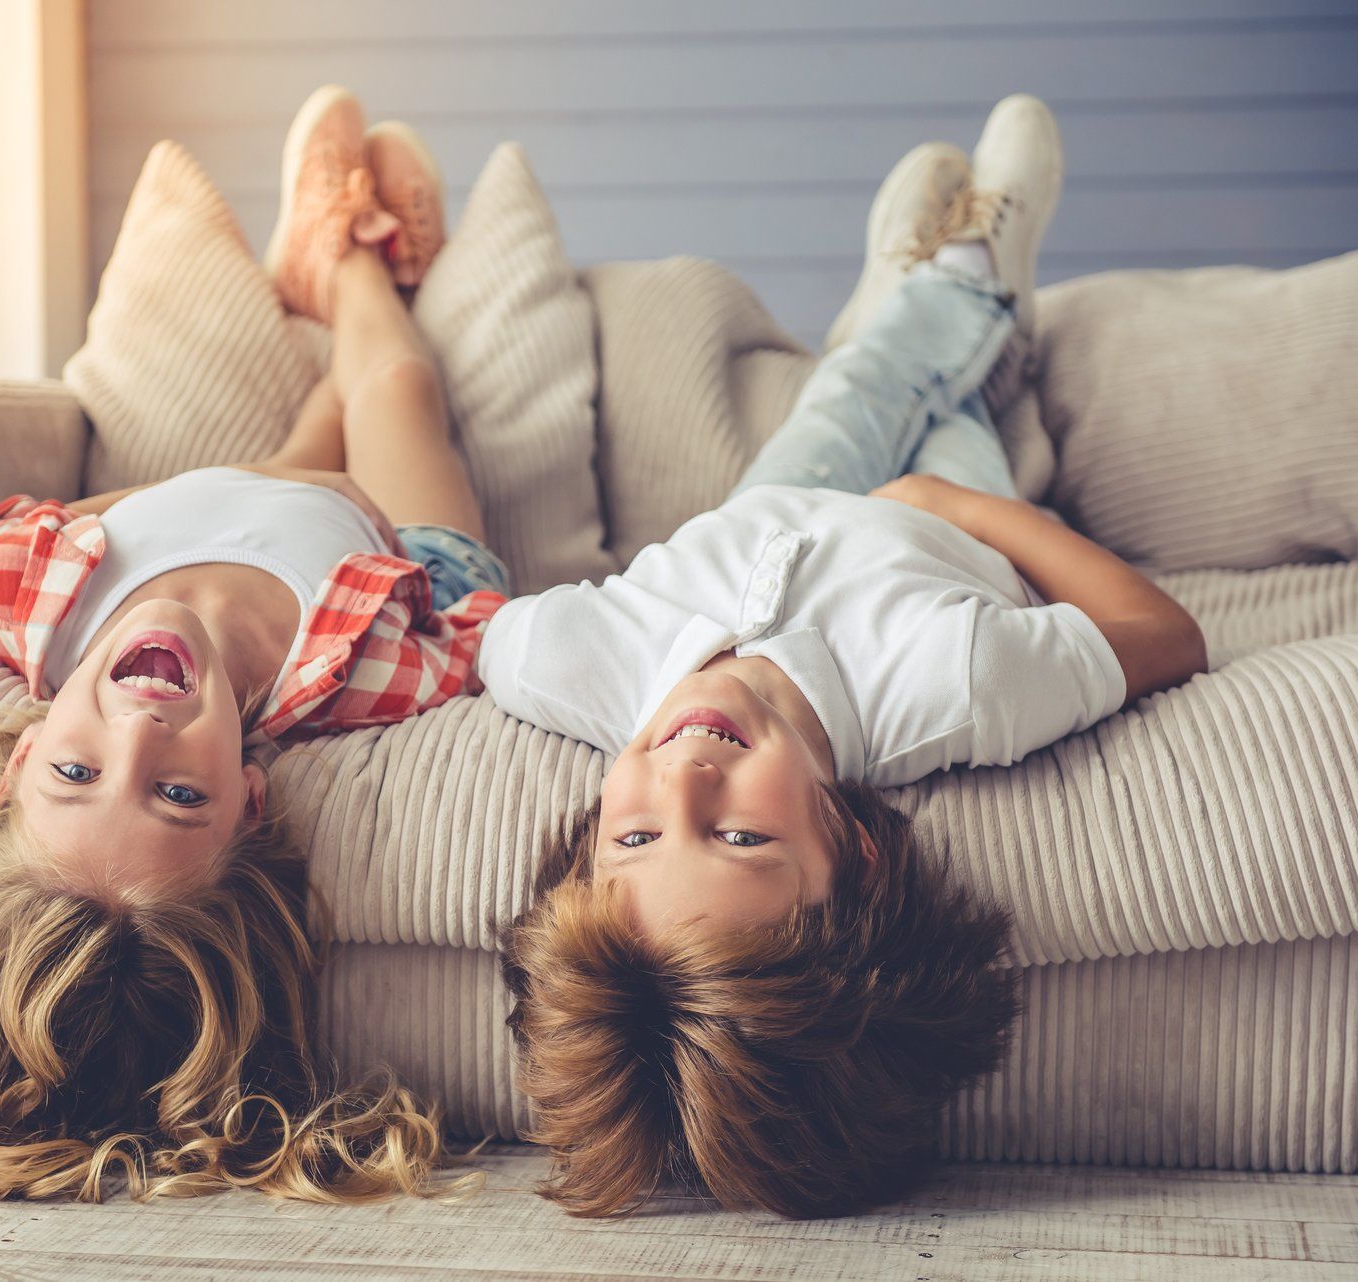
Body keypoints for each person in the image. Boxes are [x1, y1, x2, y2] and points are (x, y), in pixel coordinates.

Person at [0, 85, 505, 1203]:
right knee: (397, 386)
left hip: (223, 505)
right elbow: (476, 638)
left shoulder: (28, 608)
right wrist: (378, 534)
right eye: (179, 796)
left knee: (291, 449)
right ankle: (354, 269)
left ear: (19, 759)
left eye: (80, 772)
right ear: (250, 797)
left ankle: (320, 333)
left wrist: (189, 509)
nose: (139, 731)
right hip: (388, 543)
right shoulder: (356, 672)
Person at [490, 95, 1209, 1218]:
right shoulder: (951, 684)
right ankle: (974, 281)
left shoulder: (569, 663)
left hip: (779, 493)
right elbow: (1168, 634)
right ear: (856, 857)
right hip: (948, 525)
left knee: (850, 396)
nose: (680, 775)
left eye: (633, 834)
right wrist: (957, 507)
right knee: (967, 410)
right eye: (737, 833)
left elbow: (483, 630)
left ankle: (922, 297)